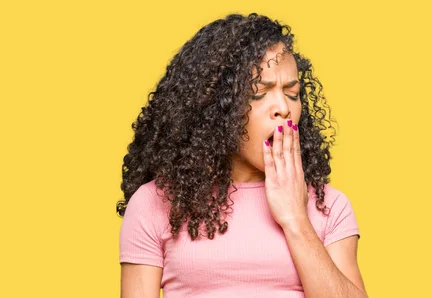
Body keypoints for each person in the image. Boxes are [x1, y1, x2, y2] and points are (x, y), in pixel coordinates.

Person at [116, 13, 368, 298]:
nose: (283, 108)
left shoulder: (330, 207)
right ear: (217, 106)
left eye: (292, 93)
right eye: (260, 92)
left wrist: (296, 219)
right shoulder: (155, 204)